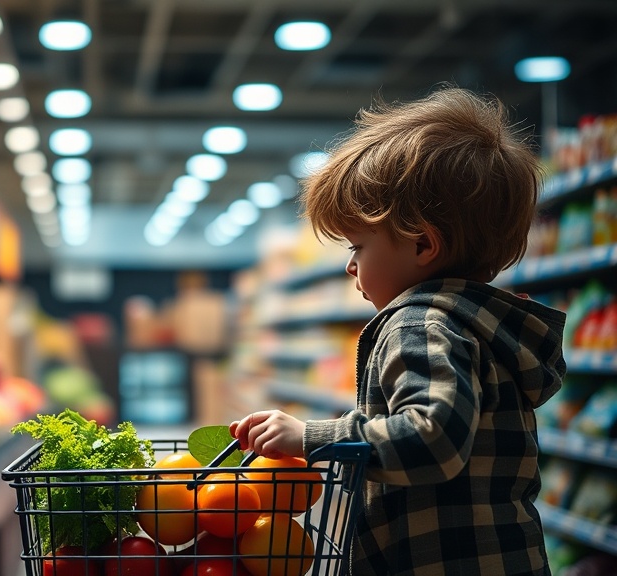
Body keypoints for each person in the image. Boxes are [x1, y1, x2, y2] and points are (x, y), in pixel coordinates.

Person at [230, 85, 567, 575]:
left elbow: (433, 438)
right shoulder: (480, 324)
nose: (350, 267)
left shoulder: (419, 323)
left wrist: (312, 436)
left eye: (357, 247)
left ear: (422, 245)